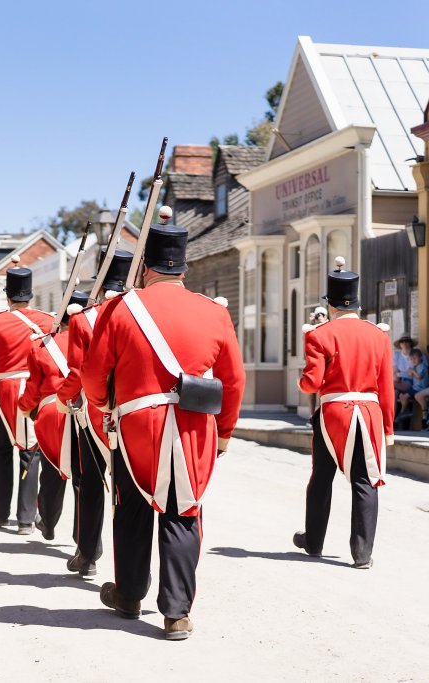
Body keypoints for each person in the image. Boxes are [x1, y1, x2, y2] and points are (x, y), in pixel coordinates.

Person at [81, 225, 245, 640]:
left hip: (138, 424)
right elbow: (233, 380)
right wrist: (223, 431)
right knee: (183, 512)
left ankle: (130, 596)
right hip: (194, 426)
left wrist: (105, 406)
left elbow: (94, 376)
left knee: (133, 507)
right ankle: (176, 613)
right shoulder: (214, 311)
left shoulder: (122, 308)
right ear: (183, 267)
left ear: (145, 267)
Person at [294, 270, 395, 570]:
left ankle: (314, 541)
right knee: (365, 481)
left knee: (321, 478)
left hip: (333, 414)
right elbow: (386, 386)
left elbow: (311, 383)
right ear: (357, 304)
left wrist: (302, 383)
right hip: (369, 414)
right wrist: (387, 428)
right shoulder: (378, 335)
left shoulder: (318, 334)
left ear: (332, 305)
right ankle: (362, 553)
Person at [56, 247, 133, 577]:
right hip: (134, 413)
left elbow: (77, 372)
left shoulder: (84, 318)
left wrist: (64, 399)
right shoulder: (139, 313)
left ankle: (88, 554)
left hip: (95, 412)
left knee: (90, 484)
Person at [0, 265, 54, 534]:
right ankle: (25, 517)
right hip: (38, 388)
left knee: (2, 451)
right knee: (30, 452)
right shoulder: (47, 320)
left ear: (7, 296)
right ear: (30, 295)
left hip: (7, 389)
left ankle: (2, 513)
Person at [18, 290, 89, 543]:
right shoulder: (95, 339)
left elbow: (33, 388)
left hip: (52, 413)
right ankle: (84, 542)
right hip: (86, 410)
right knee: (84, 476)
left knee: (52, 470)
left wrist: (24, 407)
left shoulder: (42, 344)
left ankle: (47, 522)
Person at [395, 348, 429, 429]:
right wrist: (410, 372)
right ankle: (405, 412)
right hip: (415, 388)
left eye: (415, 358)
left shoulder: (422, 366)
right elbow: (410, 376)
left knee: (405, 396)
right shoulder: (415, 367)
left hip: (421, 388)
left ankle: (402, 413)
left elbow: (419, 377)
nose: (413, 360)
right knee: (401, 396)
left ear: (420, 358)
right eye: (411, 359)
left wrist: (413, 372)